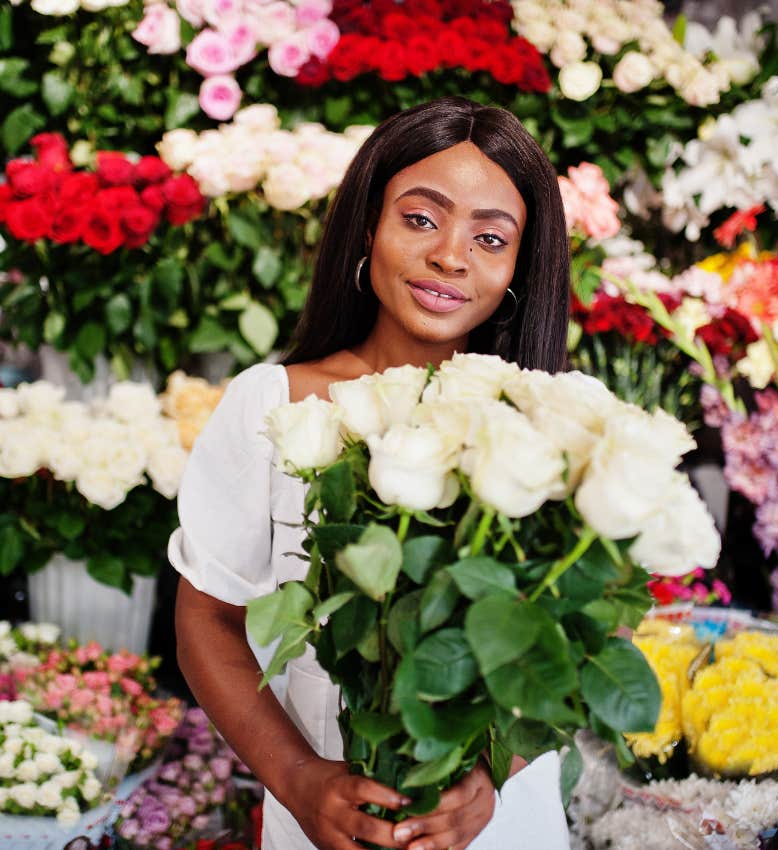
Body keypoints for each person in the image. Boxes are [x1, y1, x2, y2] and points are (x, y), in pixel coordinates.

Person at [170, 96, 572, 850]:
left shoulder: (551, 420)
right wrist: (298, 782)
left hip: (498, 822)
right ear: (366, 227)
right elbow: (207, 618)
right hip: (325, 811)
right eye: (420, 219)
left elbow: (583, 636)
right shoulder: (276, 404)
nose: (451, 256)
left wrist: (495, 776)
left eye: (490, 238)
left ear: (520, 266)